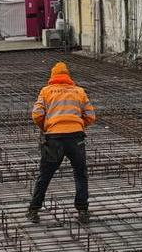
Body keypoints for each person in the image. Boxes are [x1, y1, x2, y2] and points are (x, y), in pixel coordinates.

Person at [27, 61, 96, 224]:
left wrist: (47, 127)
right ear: (68, 76)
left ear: (52, 76)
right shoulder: (79, 91)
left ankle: (34, 210)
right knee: (80, 173)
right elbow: (91, 116)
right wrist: (78, 125)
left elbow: (36, 115)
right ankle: (83, 210)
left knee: (45, 175)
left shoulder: (46, 91)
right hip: (76, 139)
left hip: (54, 139)